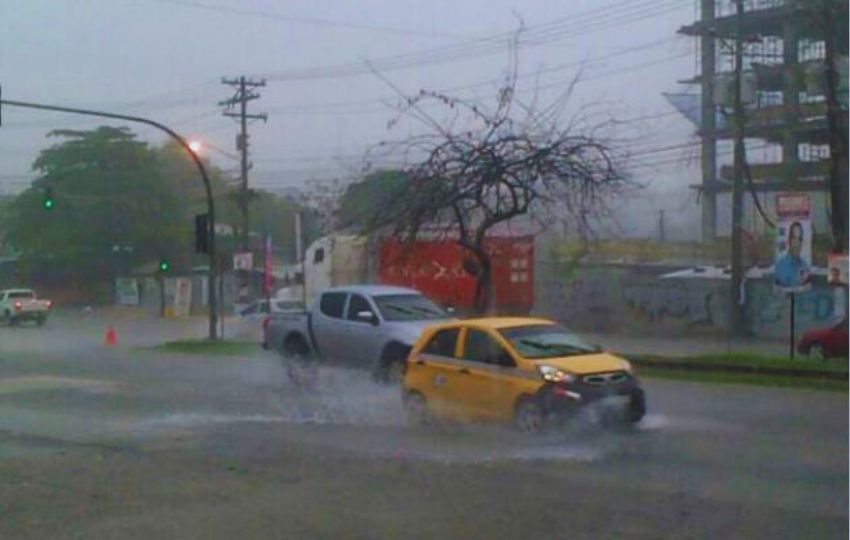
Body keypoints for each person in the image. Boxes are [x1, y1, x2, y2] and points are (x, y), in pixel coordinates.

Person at [774, 221, 811, 288]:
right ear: (789, 240)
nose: (797, 244)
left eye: (799, 239)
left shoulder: (805, 267)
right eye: (794, 238)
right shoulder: (779, 265)